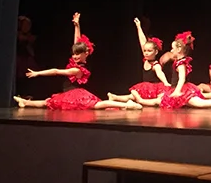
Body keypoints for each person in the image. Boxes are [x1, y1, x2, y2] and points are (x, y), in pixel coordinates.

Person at [13, 13, 142, 110]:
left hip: (75, 94)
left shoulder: (77, 69)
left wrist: (38, 73)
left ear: (86, 54)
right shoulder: (76, 62)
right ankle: (26, 102)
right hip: (69, 93)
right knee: (49, 102)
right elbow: (77, 41)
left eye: (77, 54)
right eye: (73, 54)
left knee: (98, 105)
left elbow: (56, 71)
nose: (74, 56)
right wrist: (77, 25)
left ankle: (126, 104)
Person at [137, 32, 211, 109]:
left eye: (172, 48)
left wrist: (177, 91)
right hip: (177, 88)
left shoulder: (181, 64)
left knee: (201, 103)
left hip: (182, 89)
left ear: (179, 49)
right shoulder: (179, 61)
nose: (171, 51)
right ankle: (140, 101)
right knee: (160, 101)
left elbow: (182, 78)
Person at [108, 18, 170, 103]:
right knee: (132, 96)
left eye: (149, 51)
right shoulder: (146, 60)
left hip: (154, 89)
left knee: (134, 97)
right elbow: (142, 42)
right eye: (145, 51)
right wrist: (138, 27)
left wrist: (166, 83)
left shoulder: (155, 65)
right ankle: (114, 97)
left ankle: (117, 98)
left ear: (156, 52)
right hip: (146, 89)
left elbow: (160, 74)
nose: (146, 53)